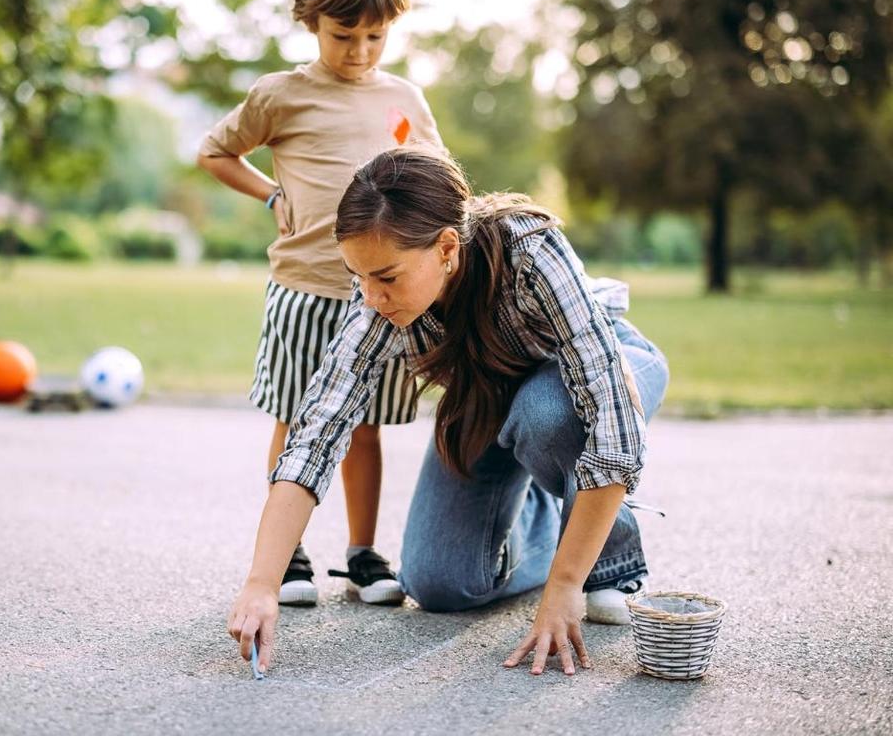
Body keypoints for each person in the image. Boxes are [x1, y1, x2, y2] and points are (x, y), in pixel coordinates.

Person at [227, 147, 670, 677]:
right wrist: (261, 583)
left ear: (446, 247)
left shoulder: (531, 251)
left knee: (546, 415)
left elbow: (614, 423)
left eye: (387, 277)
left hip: (600, 374)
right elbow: (316, 434)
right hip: (489, 396)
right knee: (440, 583)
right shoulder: (374, 304)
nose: (371, 297)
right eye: (359, 277)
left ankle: (606, 564)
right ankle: (563, 517)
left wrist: (564, 587)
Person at [198, 0, 444, 607]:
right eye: (344, 36)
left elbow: (435, 178)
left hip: (379, 298)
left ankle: (362, 554)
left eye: (375, 36)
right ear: (311, 20)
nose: (360, 52)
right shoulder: (280, 96)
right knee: (295, 418)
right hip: (304, 292)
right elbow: (216, 154)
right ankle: (289, 556)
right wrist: (271, 194)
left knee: (360, 427)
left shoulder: (404, 101)